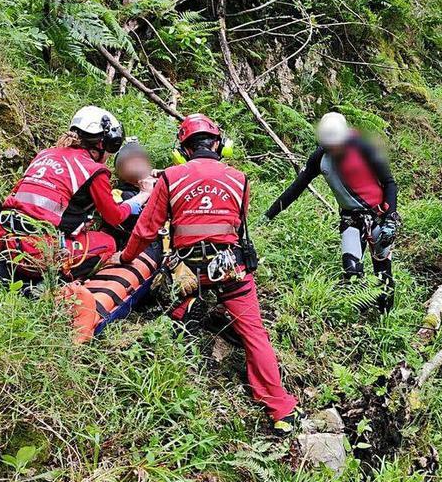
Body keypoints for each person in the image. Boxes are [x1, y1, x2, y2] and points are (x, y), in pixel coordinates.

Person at [109, 114, 301, 433]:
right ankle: (280, 408)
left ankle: (183, 313)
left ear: (182, 150)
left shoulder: (170, 177)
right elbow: (238, 227)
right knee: (254, 332)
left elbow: (146, 229)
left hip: (188, 270)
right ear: (219, 145)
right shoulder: (240, 179)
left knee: (169, 282)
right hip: (230, 267)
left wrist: (124, 256)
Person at [0, 106, 152, 281]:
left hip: (2, 237)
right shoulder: (94, 170)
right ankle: (55, 281)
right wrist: (142, 196)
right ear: (105, 142)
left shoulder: (44, 155)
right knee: (108, 243)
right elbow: (116, 216)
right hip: (35, 251)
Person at [263, 112, 399, 313]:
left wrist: (390, 219)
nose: (334, 149)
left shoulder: (364, 147)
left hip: (378, 216)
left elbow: (389, 183)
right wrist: (269, 215)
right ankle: (358, 320)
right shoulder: (320, 156)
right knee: (352, 271)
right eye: (329, 145)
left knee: (382, 271)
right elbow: (297, 187)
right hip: (350, 219)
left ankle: (384, 317)